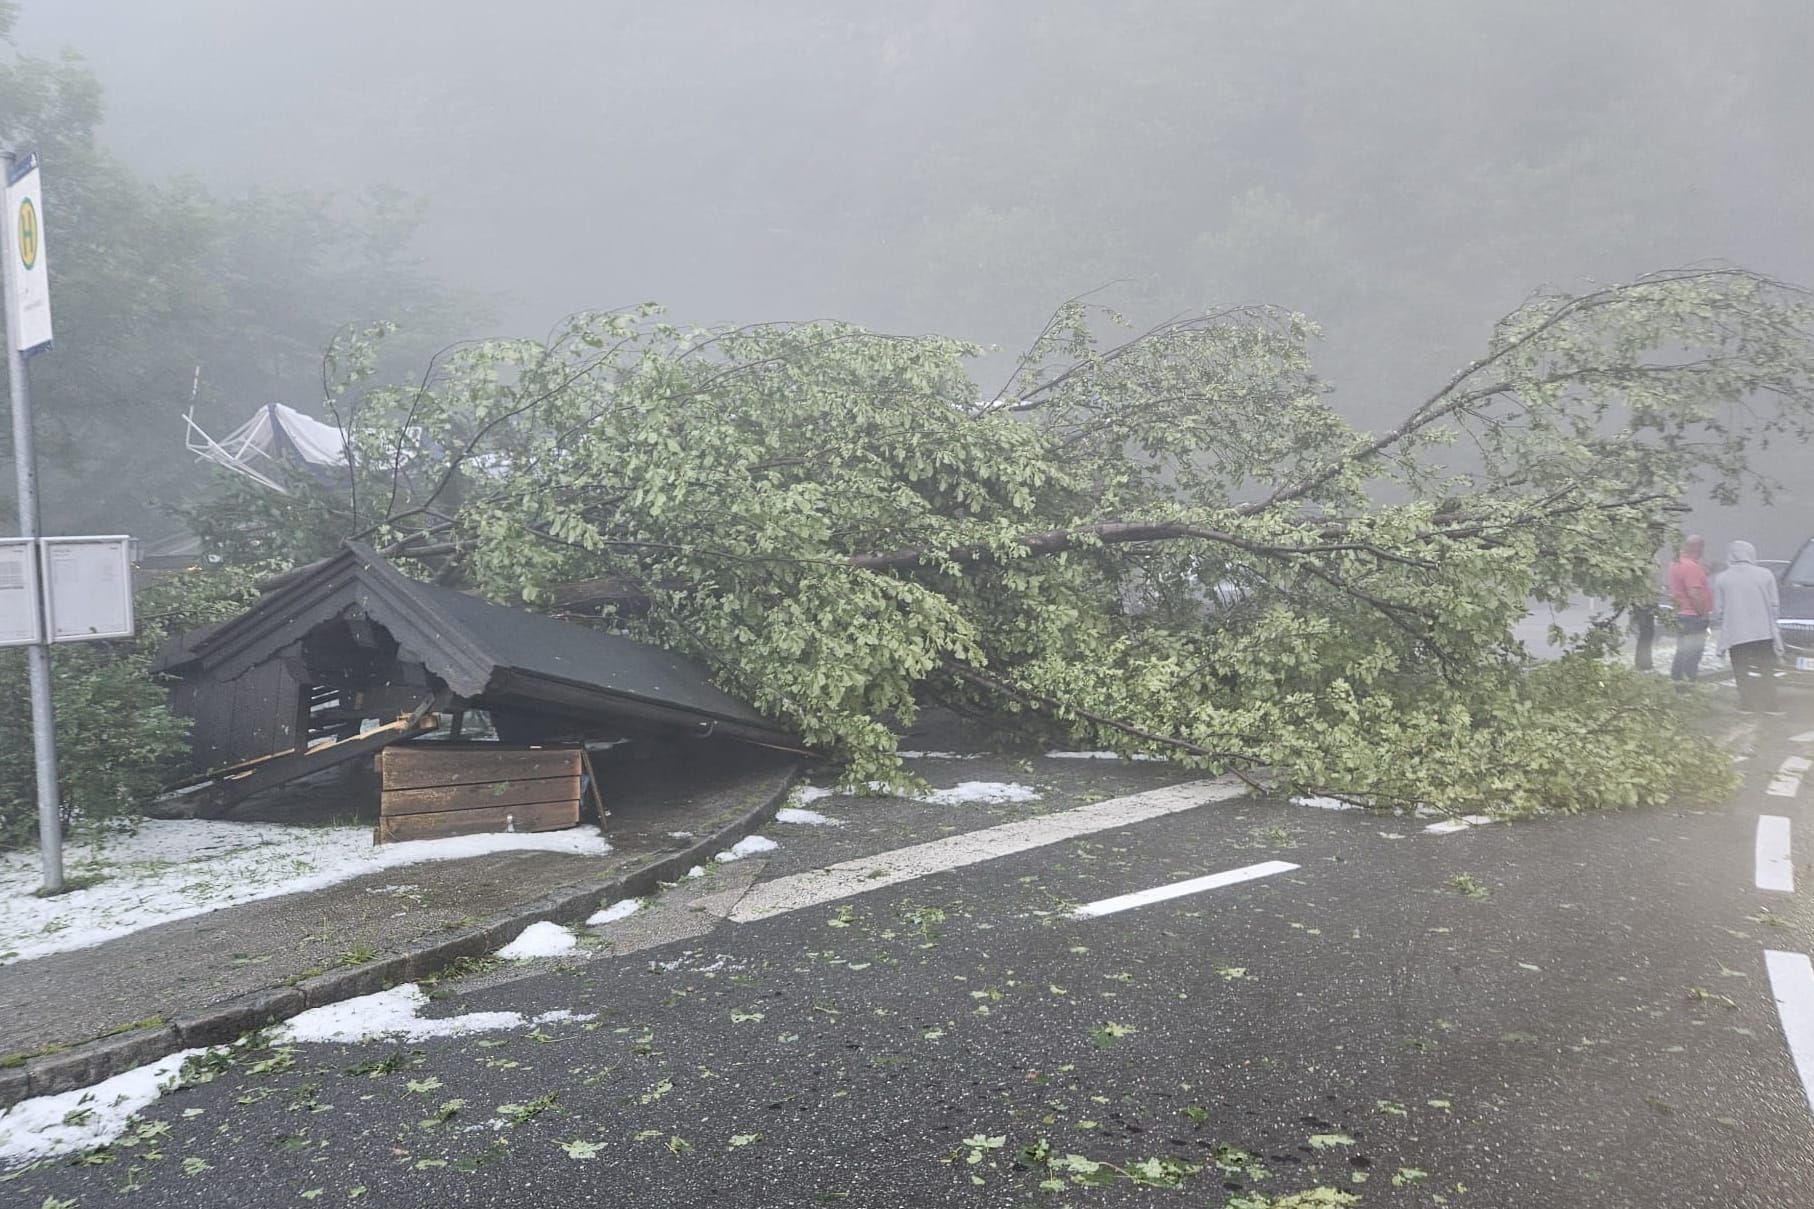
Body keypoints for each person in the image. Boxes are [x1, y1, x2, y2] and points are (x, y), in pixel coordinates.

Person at [1713, 539, 1783, 714]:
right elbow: (1774, 605)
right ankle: (1771, 705)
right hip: (1763, 632)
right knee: (1766, 669)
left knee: (1741, 670)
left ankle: (1747, 704)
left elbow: (1719, 610)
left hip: (1736, 633)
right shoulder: (1765, 574)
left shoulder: (1722, 578)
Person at [1666, 535, 1712, 683]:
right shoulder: (1692, 567)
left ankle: (1677, 681)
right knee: (1693, 653)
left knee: (1682, 651)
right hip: (1693, 616)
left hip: (1680, 613)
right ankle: (1689, 683)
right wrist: (1704, 614)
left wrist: (1704, 571)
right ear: (1697, 548)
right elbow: (1694, 593)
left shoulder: (1676, 563)